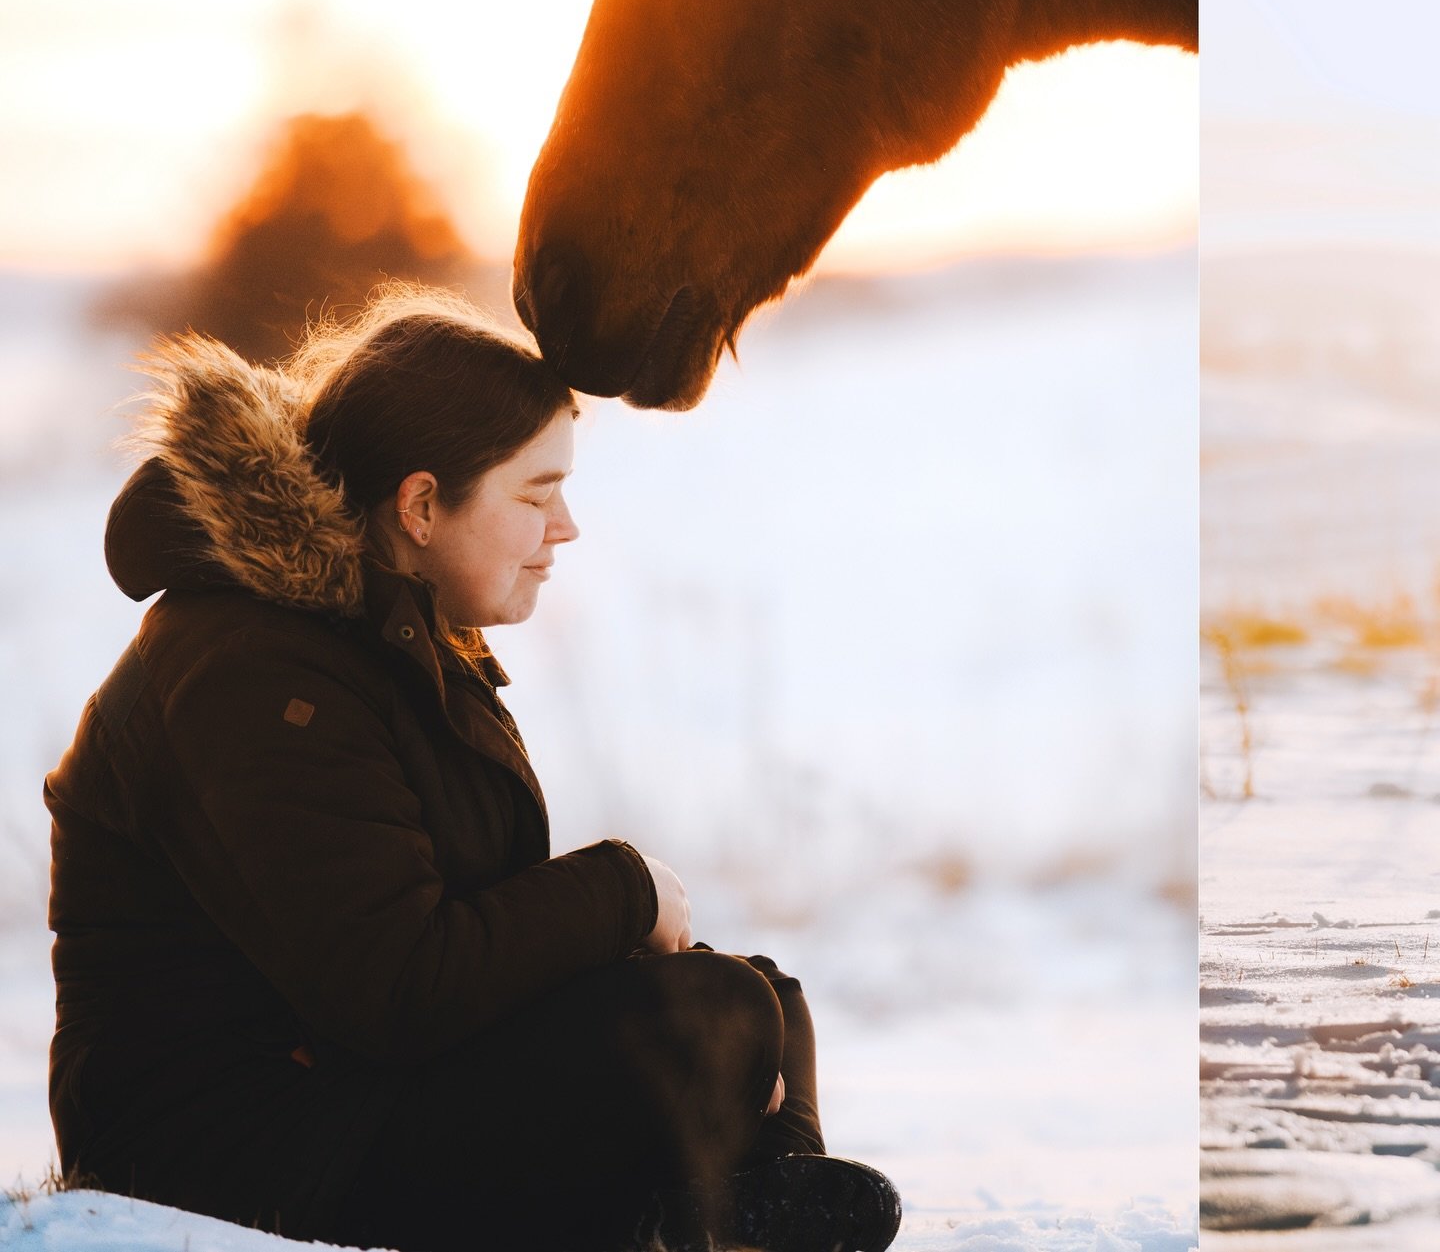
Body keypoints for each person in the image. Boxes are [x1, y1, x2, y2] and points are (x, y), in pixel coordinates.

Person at [45, 289, 901, 1252]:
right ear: (421, 505)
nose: (565, 527)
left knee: (763, 997)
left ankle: (744, 1208)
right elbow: (397, 985)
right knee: (711, 1013)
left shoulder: (394, 638)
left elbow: (458, 927)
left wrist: (634, 952)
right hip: (231, 1145)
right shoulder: (253, 664)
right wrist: (624, 891)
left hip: (358, 1091)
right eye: (535, 495)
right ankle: (703, 1211)